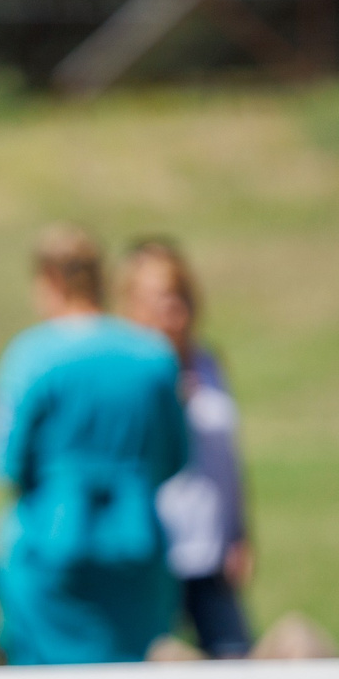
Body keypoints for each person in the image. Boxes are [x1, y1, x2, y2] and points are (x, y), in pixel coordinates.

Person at [0, 225, 190, 665]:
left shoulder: (32, 355)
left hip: (50, 554)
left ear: (50, 281)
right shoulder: (154, 356)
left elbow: (3, 461)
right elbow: (176, 457)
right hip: (137, 550)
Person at [119, 237, 254, 657]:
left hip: (211, 552)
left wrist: (241, 531)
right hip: (155, 553)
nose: (172, 309)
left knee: (234, 659)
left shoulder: (208, 361)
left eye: (178, 295)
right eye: (158, 298)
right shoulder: (130, 370)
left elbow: (229, 455)